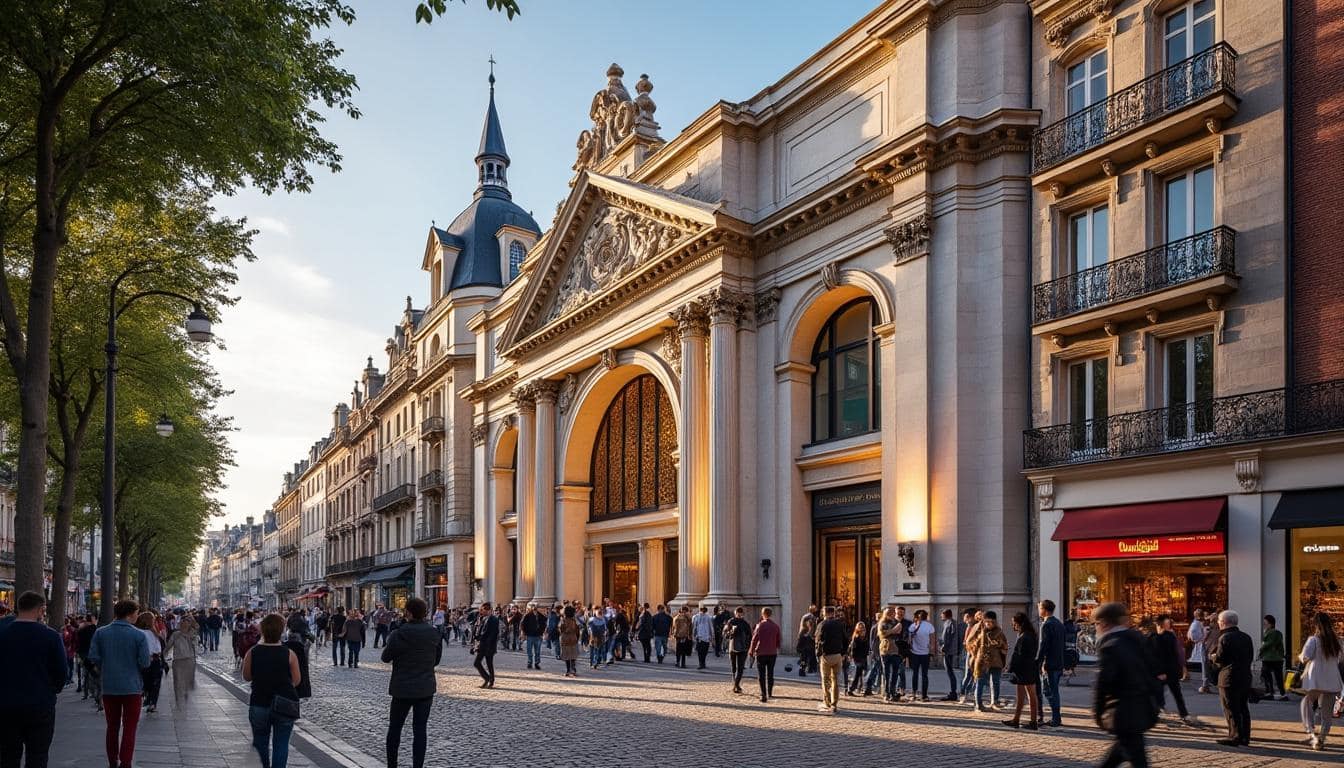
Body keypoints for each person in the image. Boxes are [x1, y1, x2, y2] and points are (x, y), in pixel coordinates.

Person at [0, 591, 67, 768]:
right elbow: (61, 672)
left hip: (6, 704)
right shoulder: (51, 637)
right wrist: (53, 689)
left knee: (8, 755)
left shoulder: (3, 634)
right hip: (40, 704)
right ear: (40, 610)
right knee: (38, 755)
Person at [1092, 602, 1157, 768]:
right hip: (1142, 707)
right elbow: (1154, 673)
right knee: (1122, 753)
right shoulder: (1138, 639)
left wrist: (1098, 712)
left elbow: (1104, 682)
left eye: (1096, 624)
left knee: (1135, 759)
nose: (1096, 628)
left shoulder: (1110, 646)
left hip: (1122, 712)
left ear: (1104, 623)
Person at [89, 600, 151, 768]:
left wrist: (107, 666)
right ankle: (126, 762)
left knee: (112, 727)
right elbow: (145, 663)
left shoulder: (101, 633)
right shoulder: (139, 635)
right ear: (130, 614)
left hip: (109, 686)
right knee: (130, 728)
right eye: (136, 613)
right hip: (132, 687)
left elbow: (93, 657)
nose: (137, 616)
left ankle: (112, 762)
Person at [381, 597, 440, 768]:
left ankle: (392, 765)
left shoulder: (398, 634)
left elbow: (385, 658)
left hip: (402, 689)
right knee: (420, 730)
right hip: (425, 688)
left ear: (408, 612)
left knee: (395, 729)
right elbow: (436, 660)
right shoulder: (434, 632)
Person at [243, 614, 301, 768]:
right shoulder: (289, 653)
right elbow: (296, 680)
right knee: (281, 744)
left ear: (262, 631)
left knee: (261, 744)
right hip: (284, 703)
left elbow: (247, 676)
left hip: (259, 703)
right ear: (281, 631)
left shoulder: (252, 652)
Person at [1297, 610, 1343, 752]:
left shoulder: (1313, 640)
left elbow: (1305, 657)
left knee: (1306, 703)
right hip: (1331, 677)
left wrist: (1299, 657)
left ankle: (1312, 734)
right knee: (1327, 712)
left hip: (1316, 677)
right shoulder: (1338, 641)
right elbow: (1341, 659)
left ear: (1316, 624)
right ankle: (1321, 738)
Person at [1207, 609, 1253, 747]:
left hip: (1228, 677)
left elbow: (1221, 658)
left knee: (1230, 708)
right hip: (1245, 676)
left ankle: (1234, 736)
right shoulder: (1246, 637)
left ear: (1223, 622)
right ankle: (1245, 736)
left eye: (1219, 622)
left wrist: (1213, 657)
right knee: (1243, 707)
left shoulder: (1224, 638)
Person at [1002, 611, 1041, 730]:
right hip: (1027, 668)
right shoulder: (1029, 635)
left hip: (1025, 669)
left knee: (1031, 695)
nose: (1013, 626)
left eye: (1014, 623)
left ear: (1019, 624)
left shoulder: (1025, 637)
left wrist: (1010, 667)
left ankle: (1033, 721)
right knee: (1021, 696)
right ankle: (1016, 719)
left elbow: (1019, 655)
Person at [1152, 615, 1194, 725]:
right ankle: (1184, 714)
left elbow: (1157, 656)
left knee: (1158, 693)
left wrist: (1159, 671)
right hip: (1173, 671)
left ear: (1158, 625)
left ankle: (1156, 712)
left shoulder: (1156, 638)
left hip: (1163, 671)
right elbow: (1179, 653)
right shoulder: (1172, 637)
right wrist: (1183, 667)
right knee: (1176, 694)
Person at [970, 610, 1007, 713]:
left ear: (995, 622)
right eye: (987, 622)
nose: (988, 624)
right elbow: (970, 643)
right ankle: (978, 704)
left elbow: (1005, 646)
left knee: (995, 682)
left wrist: (999, 645)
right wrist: (976, 653)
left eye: (991, 622)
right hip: (981, 661)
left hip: (996, 661)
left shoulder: (999, 632)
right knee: (980, 682)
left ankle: (994, 702)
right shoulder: (978, 631)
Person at [1036, 600, 1065, 727]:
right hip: (1059, 662)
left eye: (1039, 608)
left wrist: (1039, 662)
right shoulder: (1059, 623)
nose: (1038, 610)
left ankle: (1056, 718)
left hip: (1049, 663)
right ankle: (1056, 717)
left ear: (1045, 609)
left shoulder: (1046, 624)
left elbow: (1044, 645)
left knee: (1049, 691)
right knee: (1054, 690)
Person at [815, 605, 847, 713]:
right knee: (836, 680)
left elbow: (818, 640)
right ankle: (834, 703)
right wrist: (843, 653)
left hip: (826, 655)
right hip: (837, 655)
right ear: (833, 613)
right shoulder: (840, 624)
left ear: (825, 613)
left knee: (826, 680)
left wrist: (818, 654)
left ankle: (827, 701)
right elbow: (845, 639)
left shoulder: (822, 624)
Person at [165, 613, 199, 707]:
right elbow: (169, 646)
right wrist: (164, 655)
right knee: (177, 681)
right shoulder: (176, 634)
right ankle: (178, 700)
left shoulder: (193, 634)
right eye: (182, 622)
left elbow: (196, 645)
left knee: (187, 680)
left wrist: (190, 636)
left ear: (189, 624)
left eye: (187, 622)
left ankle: (185, 694)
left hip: (190, 660)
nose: (184, 624)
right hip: (178, 661)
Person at [134, 612, 165, 713]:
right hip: (147, 659)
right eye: (153, 619)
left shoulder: (154, 631)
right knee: (147, 682)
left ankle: (153, 703)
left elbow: (160, 644)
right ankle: (148, 698)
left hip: (156, 659)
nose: (154, 621)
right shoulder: (139, 632)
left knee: (156, 682)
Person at [748, 607, 780, 703]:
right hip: (772, 653)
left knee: (761, 674)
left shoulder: (760, 625)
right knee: (770, 673)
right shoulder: (775, 626)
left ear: (763, 614)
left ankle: (763, 694)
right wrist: (775, 648)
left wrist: (751, 651)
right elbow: (778, 641)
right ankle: (770, 692)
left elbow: (754, 639)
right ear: (770, 614)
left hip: (761, 653)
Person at [907, 609, 935, 701]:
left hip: (914, 653)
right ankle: (924, 695)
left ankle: (914, 693)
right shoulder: (930, 626)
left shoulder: (913, 626)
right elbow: (932, 641)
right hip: (925, 653)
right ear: (926, 616)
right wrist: (932, 652)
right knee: (924, 675)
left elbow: (909, 641)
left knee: (915, 674)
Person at [1259, 614, 1287, 702]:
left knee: (1266, 675)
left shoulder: (1271, 632)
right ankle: (1282, 693)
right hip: (1277, 658)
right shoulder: (1278, 633)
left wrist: (1261, 649)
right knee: (1278, 676)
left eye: (1266, 623)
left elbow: (1267, 644)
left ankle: (1269, 692)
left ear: (1271, 624)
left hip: (1269, 658)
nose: (1264, 625)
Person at [724, 607, 752, 694]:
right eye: (738, 613)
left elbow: (750, 636)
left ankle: (736, 684)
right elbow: (726, 635)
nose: (739, 615)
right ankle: (736, 685)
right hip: (735, 647)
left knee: (739, 668)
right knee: (735, 667)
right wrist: (731, 632)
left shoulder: (744, 623)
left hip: (739, 648)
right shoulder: (732, 622)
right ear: (736, 613)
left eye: (740, 613)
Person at [472, 601, 499, 688]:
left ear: (487, 610)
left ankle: (490, 680)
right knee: (477, 663)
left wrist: (483, 641)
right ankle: (488, 678)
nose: (481, 611)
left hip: (488, 646)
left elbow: (493, 634)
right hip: (483, 645)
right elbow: (480, 630)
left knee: (488, 663)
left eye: (482, 609)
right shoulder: (483, 618)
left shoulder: (494, 619)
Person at [939, 609, 962, 702]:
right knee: (950, 672)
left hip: (948, 651)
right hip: (952, 650)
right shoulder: (953, 623)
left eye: (942, 614)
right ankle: (953, 692)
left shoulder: (949, 623)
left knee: (950, 672)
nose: (941, 616)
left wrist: (943, 648)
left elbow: (946, 638)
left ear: (945, 615)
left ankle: (953, 693)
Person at [846, 621, 869, 697]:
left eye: (863, 628)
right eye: (860, 628)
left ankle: (860, 688)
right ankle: (851, 689)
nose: (862, 630)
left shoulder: (865, 638)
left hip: (863, 658)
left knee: (862, 675)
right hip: (857, 659)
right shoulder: (856, 638)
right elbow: (853, 649)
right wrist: (853, 658)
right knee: (856, 675)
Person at [557, 605, 581, 677]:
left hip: (565, 639)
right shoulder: (574, 620)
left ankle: (568, 670)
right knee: (573, 655)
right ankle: (573, 669)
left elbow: (560, 629)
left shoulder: (563, 620)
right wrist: (577, 637)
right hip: (573, 638)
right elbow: (578, 630)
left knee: (566, 655)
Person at [521, 603, 545, 670]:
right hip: (530, 635)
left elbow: (544, 624)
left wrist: (542, 632)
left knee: (537, 651)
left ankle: (537, 663)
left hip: (538, 636)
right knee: (529, 650)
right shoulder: (528, 616)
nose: (535, 609)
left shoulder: (541, 616)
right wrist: (524, 633)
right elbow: (523, 624)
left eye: (536, 607)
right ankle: (529, 662)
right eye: (533, 607)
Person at [692, 605, 714, 670]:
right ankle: (701, 663)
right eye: (702, 610)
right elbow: (695, 627)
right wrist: (694, 635)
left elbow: (711, 627)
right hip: (699, 637)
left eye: (704, 610)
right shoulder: (696, 617)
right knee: (700, 651)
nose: (703, 611)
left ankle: (703, 662)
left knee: (704, 651)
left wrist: (712, 636)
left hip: (706, 637)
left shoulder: (708, 617)